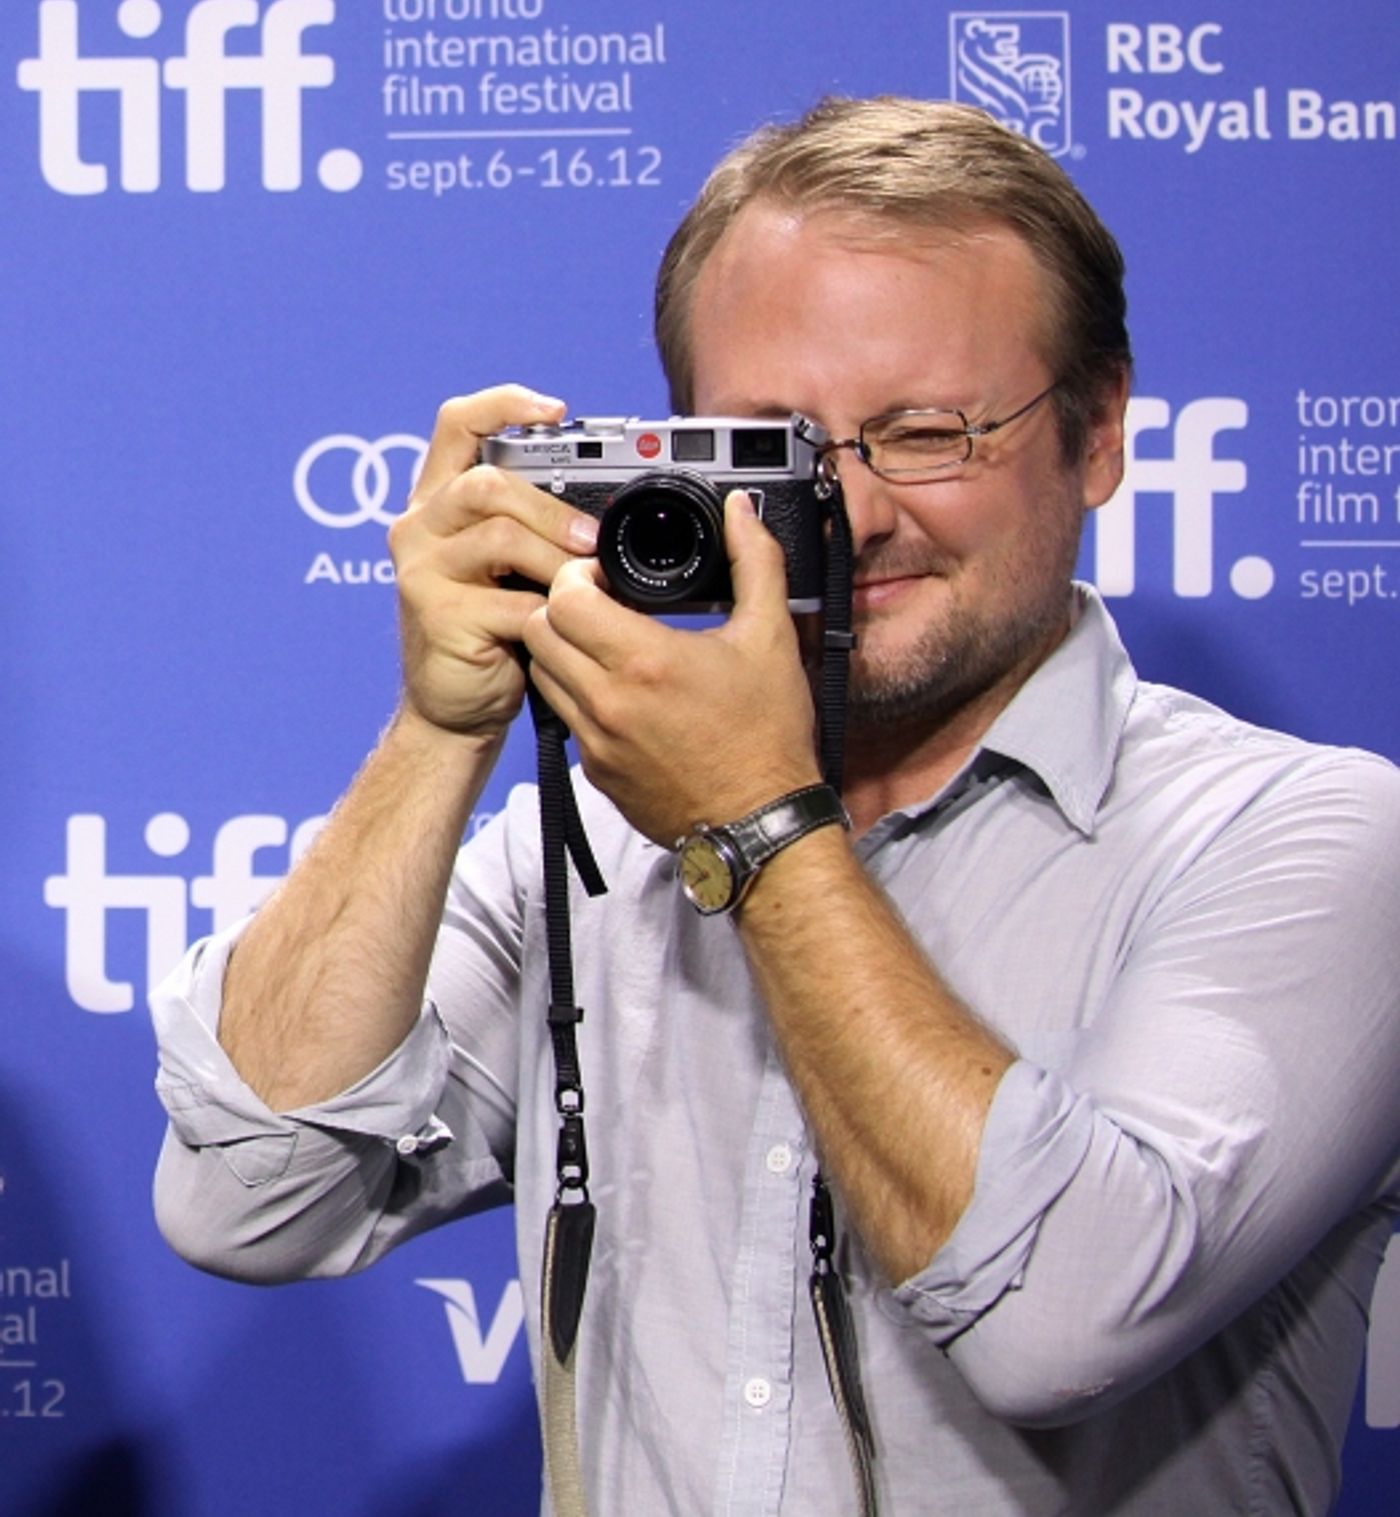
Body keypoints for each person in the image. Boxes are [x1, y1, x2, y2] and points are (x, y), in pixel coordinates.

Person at [153, 96, 1400, 1515]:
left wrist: (757, 826)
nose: (853, 518)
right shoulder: (606, 840)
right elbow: (249, 1194)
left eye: (928, 434)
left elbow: (1062, 1313)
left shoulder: (1304, 843)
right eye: (776, 451)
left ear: (1098, 430)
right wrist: (444, 726)